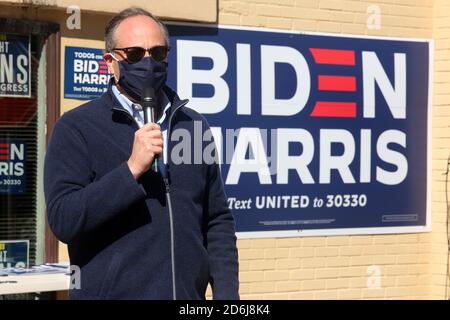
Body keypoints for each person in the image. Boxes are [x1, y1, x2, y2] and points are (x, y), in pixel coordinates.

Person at [44, 7, 239, 300]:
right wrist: (130, 170)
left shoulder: (193, 125)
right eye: (135, 54)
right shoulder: (77, 128)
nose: (148, 63)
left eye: (158, 53)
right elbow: (64, 220)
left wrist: (228, 296)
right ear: (111, 62)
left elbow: (217, 220)